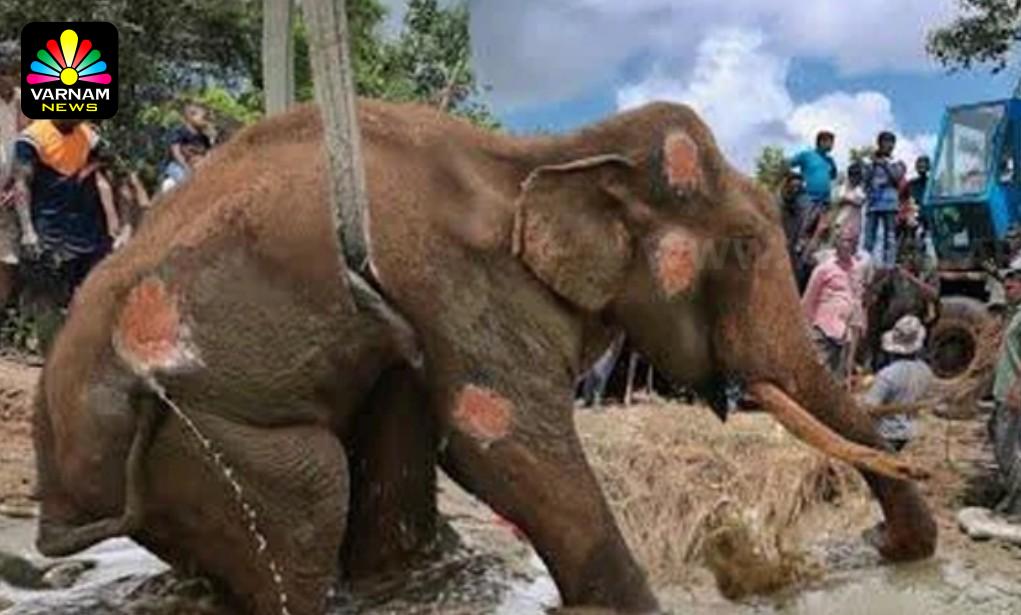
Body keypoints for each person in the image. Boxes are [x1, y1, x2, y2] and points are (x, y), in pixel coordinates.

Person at [11, 119, 108, 349]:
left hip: (86, 230)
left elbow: (106, 178)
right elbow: (21, 183)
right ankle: (52, 355)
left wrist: (117, 225)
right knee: (47, 298)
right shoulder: (33, 138)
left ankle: (76, 353)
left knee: (89, 295)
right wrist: (28, 231)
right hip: (47, 229)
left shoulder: (90, 138)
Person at [864, 235, 940, 370]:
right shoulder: (892, 273)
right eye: (905, 254)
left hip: (915, 326)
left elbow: (934, 295)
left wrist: (912, 278)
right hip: (892, 327)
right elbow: (874, 297)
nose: (909, 258)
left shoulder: (927, 272)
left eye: (914, 254)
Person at [802, 228, 868, 378]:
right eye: (844, 240)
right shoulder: (824, 269)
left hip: (844, 334)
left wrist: (859, 325)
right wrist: (807, 331)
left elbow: (857, 301)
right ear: (836, 243)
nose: (847, 245)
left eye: (851, 241)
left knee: (838, 379)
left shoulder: (857, 269)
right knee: (816, 375)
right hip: (822, 331)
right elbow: (808, 300)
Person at [863, 315, 933, 451]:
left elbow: (870, 409)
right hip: (912, 431)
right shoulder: (925, 370)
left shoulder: (888, 374)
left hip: (887, 433)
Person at [990, 256, 1021, 514]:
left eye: (1014, 281)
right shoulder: (1016, 314)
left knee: (1007, 447)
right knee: (1000, 438)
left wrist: (1018, 388)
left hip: (1013, 390)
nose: (1007, 285)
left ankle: (1017, 503)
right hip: (1005, 389)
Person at [862, 132, 907, 269]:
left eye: (892, 142)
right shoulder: (870, 162)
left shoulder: (897, 161)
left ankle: (889, 266)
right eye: (886, 142)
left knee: (890, 236)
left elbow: (897, 177)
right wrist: (873, 164)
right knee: (869, 236)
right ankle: (865, 265)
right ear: (880, 143)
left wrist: (884, 165)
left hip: (890, 203)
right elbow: (865, 179)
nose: (890, 145)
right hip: (873, 203)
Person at [159, 103, 213, 192]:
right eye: (204, 118)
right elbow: (176, 153)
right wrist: (186, 168)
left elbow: (208, 154)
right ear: (191, 117)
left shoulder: (204, 138)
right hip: (175, 165)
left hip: (192, 163)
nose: (206, 121)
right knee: (186, 179)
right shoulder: (179, 132)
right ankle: (170, 184)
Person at [777, 171, 813, 285]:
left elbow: (805, 225)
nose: (795, 190)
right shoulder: (779, 202)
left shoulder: (803, 203)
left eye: (798, 187)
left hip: (794, 246)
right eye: (793, 186)